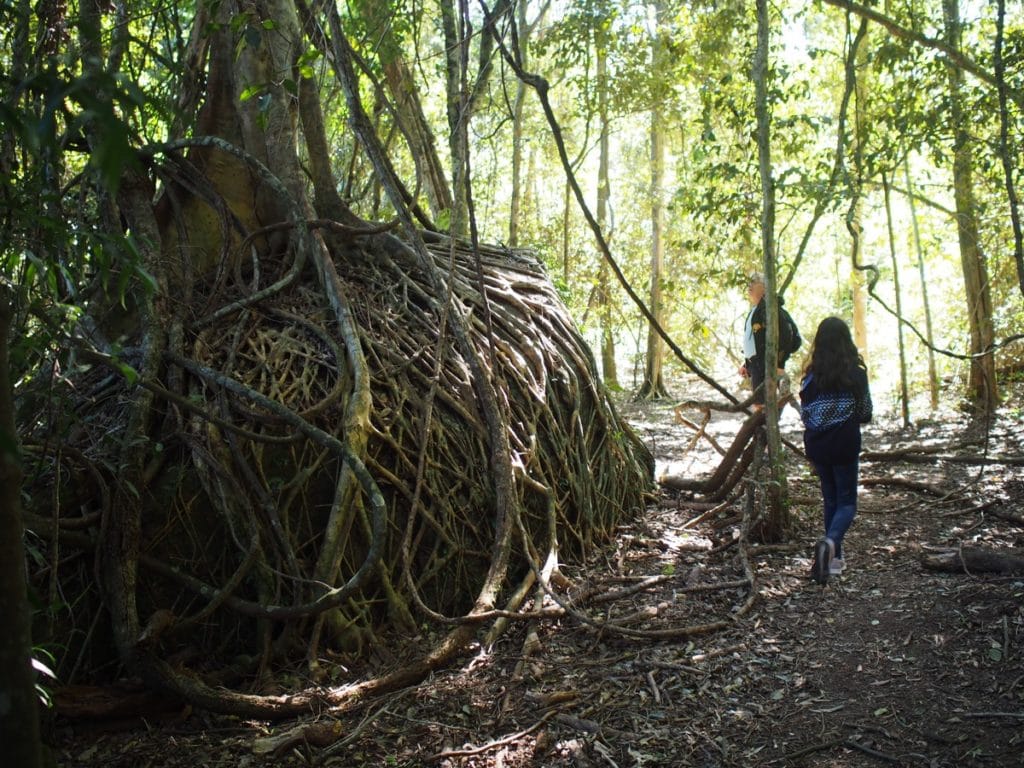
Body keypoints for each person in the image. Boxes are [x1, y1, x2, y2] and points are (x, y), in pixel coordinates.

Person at [799, 316, 873, 584]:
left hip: (817, 444)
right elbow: (865, 412)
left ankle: (833, 564)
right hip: (844, 443)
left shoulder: (810, 376)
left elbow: (806, 414)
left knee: (830, 501)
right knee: (847, 503)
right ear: (845, 342)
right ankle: (830, 543)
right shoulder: (855, 373)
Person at [739, 273, 799, 407]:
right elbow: (755, 341)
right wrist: (747, 364)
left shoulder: (771, 309)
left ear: (765, 287)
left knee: (766, 404)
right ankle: (764, 426)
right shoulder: (755, 310)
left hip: (768, 364)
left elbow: (787, 335)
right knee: (760, 404)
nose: (749, 286)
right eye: (749, 283)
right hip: (757, 364)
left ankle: (768, 425)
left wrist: (779, 363)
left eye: (754, 282)